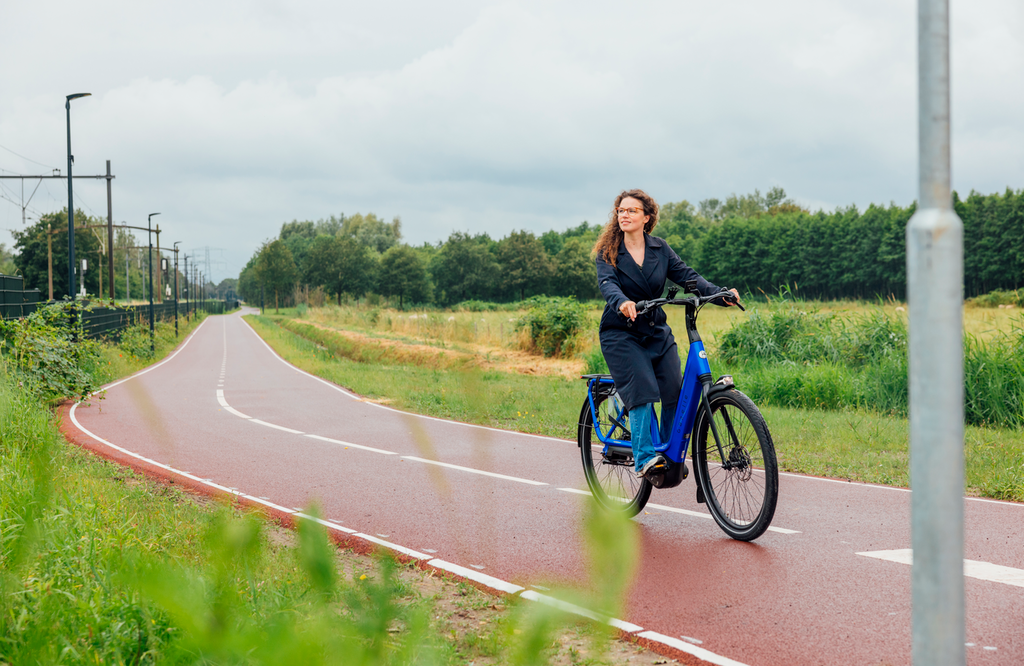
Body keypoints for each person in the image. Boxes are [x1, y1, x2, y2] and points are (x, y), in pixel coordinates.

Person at [593, 189, 739, 479]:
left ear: (647, 217)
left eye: (632, 211)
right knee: (643, 390)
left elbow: (688, 276)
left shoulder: (660, 249)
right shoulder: (608, 252)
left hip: (655, 329)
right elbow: (608, 284)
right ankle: (645, 458)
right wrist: (622, 302)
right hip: (621, 332)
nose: (624, 215)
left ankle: (668, 455)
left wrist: (719, 293)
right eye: (621, 210)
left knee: (675, 390)